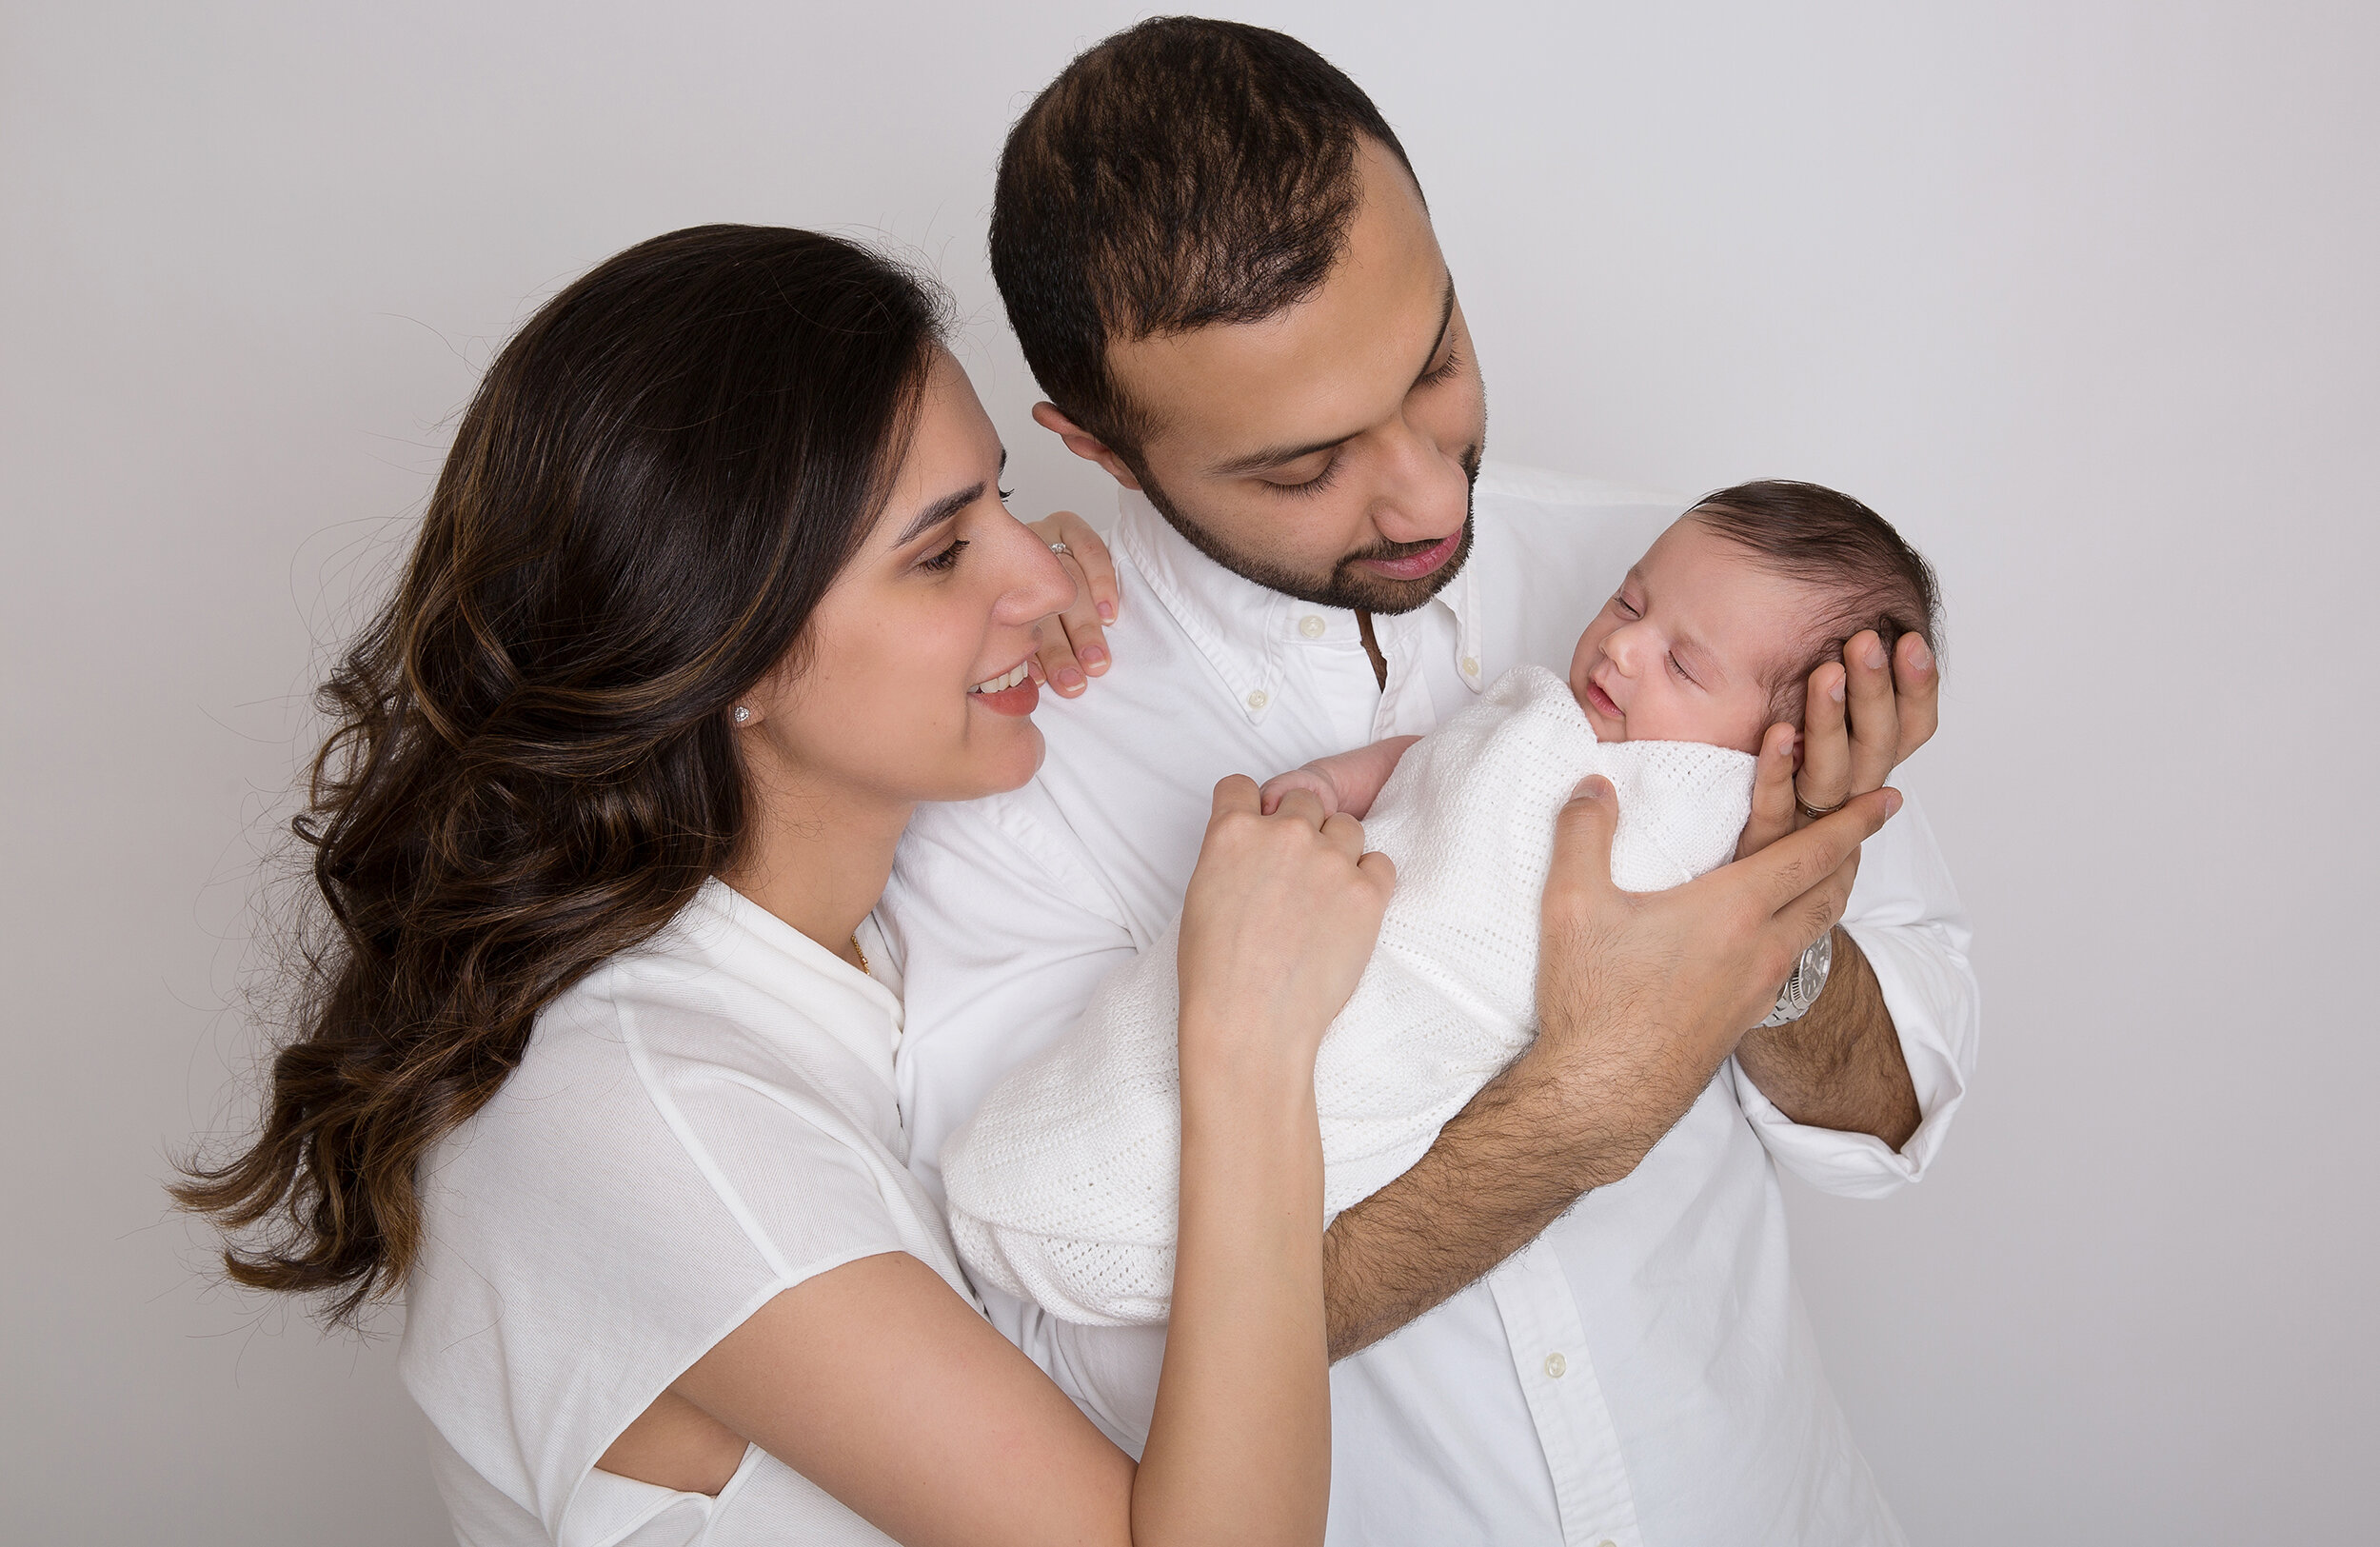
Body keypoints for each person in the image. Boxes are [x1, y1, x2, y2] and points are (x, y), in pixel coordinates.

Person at [879, 20, 1977, 1544]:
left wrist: (1783, 938)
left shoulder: (1692, 585)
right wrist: (1569, 1117)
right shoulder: (999, 768)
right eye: (1299, 465)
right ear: (1103, 452)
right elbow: (1081, 1354)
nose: (1427, 488)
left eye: (1437, 362)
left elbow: (1896, 1113)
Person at [173, 224, 1406, 1547]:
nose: (1045, 570)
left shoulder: (841, 929)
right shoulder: (644, 1114)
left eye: (1002, 496)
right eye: (941, 552)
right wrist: (1246, 1044)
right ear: (730, 654)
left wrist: (968, 595)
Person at [941, 482, 1942, 1331]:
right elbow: (1442, 762)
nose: (1624, 651)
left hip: (1430, 1028)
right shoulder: (1026, 709)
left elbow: (1889, 1113)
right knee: (1156, 1062)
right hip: (1317, 956)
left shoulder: (1729, 809)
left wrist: (1786, 883)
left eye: (1684, 665)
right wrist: (1338, 785)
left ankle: (1091, 1206)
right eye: (1628, 605)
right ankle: (1066, 1171)